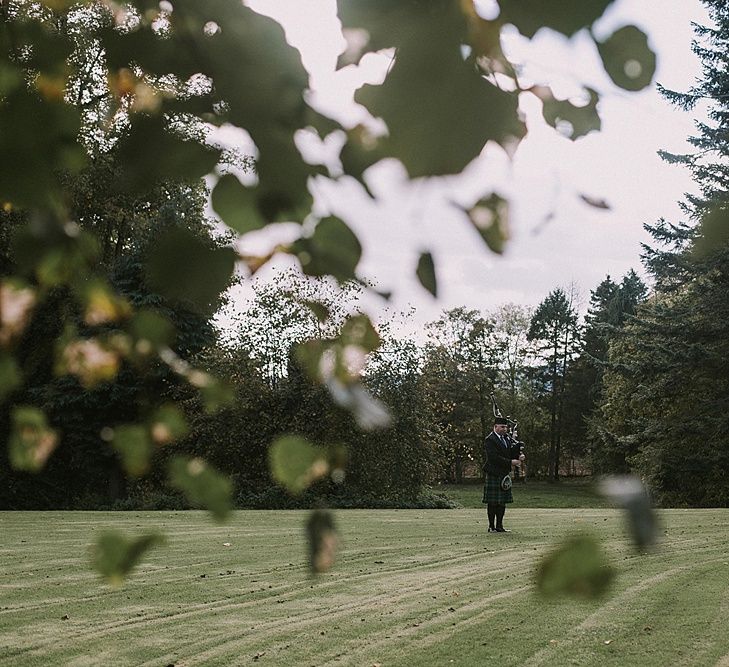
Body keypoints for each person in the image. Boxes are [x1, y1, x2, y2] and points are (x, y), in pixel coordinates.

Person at [483, 416, 524, 533]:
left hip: (504, 473)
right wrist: (510, 462)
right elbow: (493, 457)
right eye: (502, 427)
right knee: (493, 502)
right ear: (495, 427)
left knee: (502, 502)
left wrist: (518, 456)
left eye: (505, 427)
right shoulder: (490, 439)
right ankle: (491, 526)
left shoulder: (506, 438)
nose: (504, 429)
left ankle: (500, 526)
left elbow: (510, 452)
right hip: (494, 472)